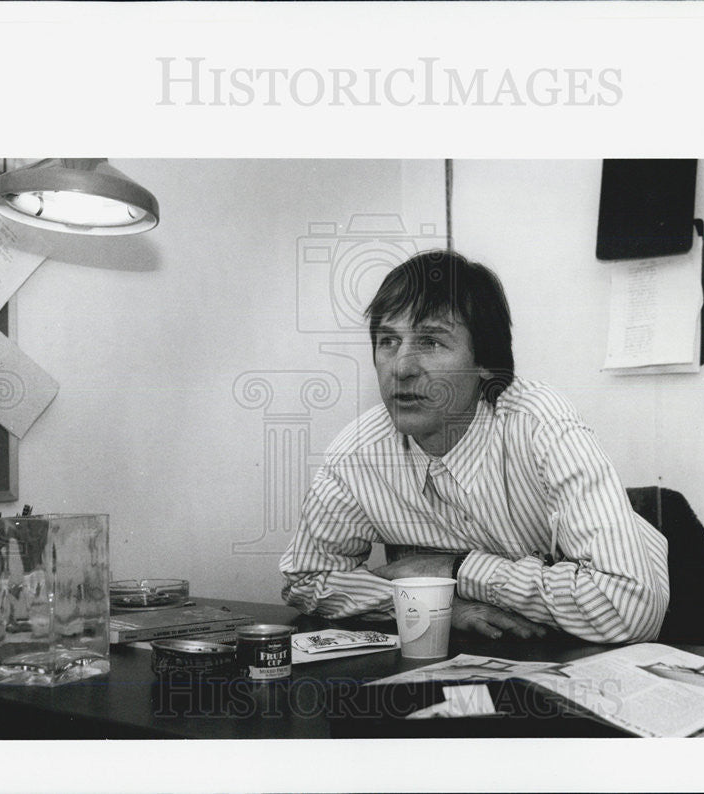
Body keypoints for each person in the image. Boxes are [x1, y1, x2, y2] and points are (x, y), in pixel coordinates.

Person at [280, 250, 669, 643]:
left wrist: (455, 569)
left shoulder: (540, 424)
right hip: (489, 653)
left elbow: (629, 609)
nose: (400, 367)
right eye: (388, 341)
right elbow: (306, 579)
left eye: (430, 341)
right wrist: (442, 608)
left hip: (637, 636)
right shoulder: (357, 455)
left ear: (485, 361)